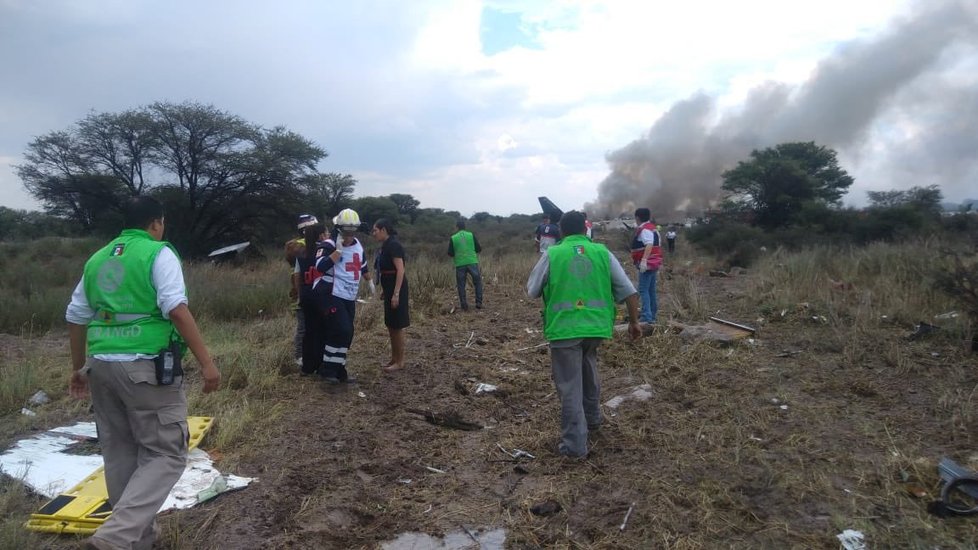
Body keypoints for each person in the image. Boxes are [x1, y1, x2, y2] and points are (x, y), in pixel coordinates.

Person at [65, 196, 221, 550]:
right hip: (145, 367)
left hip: (101, 366)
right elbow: (176, 310)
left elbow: (76, 315)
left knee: (120, 453)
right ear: (155, 223)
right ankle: (115, 537)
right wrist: (207, 363)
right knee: (166, 454)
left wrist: (78, 368)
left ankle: (139, 539)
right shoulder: (157, 252)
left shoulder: (98, 258)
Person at [527, 211, 640, 458]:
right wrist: (634, 323)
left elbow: (532, 290)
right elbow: (629, 292)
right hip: (597, 328)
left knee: (569, 387)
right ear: (585, 229)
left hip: (564, 329)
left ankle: (574, 447)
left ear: (561, 231)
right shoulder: (602, 252)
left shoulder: (552, 254)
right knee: (589, 369)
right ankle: (594, 420)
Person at [314, 208, 372, 384]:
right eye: (346, 232)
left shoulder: (358, 245)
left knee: (348, 333)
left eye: (353, 231)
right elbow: (320, 267)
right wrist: (337, 252)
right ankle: (327, 370)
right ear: (338, 229)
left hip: (349, 295)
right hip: (330, 293)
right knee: (341, 329)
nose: (349, 235)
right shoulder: (328, 245)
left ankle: (339, 369)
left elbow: (362, 265)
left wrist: (370, 281)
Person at [372, 218, 409, 372]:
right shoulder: (385, 245)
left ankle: (400, 361)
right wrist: (385, 290)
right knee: (390, 324)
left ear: (383, 230)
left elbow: (400, 270)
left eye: (375, 230)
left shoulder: (394, 245)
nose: (373, 233)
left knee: (397, 325)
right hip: (389, 287)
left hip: (396, 288)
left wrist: (396, 293)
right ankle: (394, 358)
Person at [286, 214, 320, 367]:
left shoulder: (299, 246)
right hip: (303, 292)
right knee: (304, 327)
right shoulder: (301, 247)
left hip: (304, 291)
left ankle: (307, 354)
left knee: (308, 326)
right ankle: (299, 356)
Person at [631, 208, 663, 324]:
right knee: (651, 290)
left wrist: (644, 260)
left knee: (643, 290)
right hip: (654, 262)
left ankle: (646, 317)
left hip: (648, 264)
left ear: (637, 218)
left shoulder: (645, 230)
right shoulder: (653, 229)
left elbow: (649, 244)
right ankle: (652, 315)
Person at [447, 219, 484, 311]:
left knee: (461, 285)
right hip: (472, 262)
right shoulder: (471, 235)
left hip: (460, 264)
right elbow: (479, 248)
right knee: (477, 282)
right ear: (465, 226)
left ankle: (464, 305)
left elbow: (450, 253)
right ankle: (478, 302)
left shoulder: (453, 238)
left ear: (457, 227)